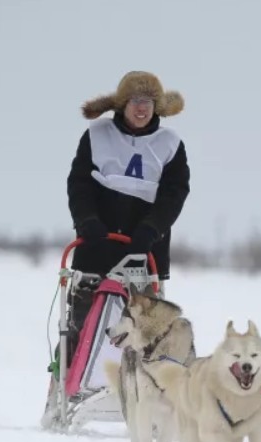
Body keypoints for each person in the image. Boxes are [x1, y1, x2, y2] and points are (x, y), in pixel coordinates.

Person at [64, 70, 191, 360]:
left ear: (156, 106)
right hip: (95, 247)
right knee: (82, 324)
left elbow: (175, 194)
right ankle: (70, 386)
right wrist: (86, 221)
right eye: (135, 100)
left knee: (144, 333)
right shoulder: (97, 135)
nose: (142, 107)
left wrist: (151, 228)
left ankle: (140, 394)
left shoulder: (170, 143)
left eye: (148, 101)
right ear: (122, 104)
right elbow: (79, 184)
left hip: (145, 253)